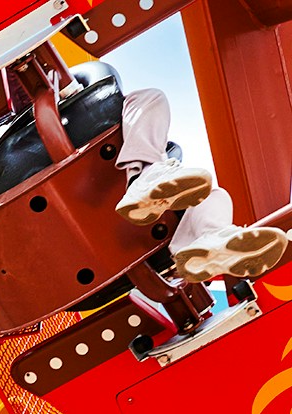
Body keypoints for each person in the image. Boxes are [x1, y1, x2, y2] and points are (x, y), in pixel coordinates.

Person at [114, 88, 288, 282]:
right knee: (152, 97)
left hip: (135, 253)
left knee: (216, 195)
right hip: (148, 248)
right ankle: (144, 177)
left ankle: (210, 239)